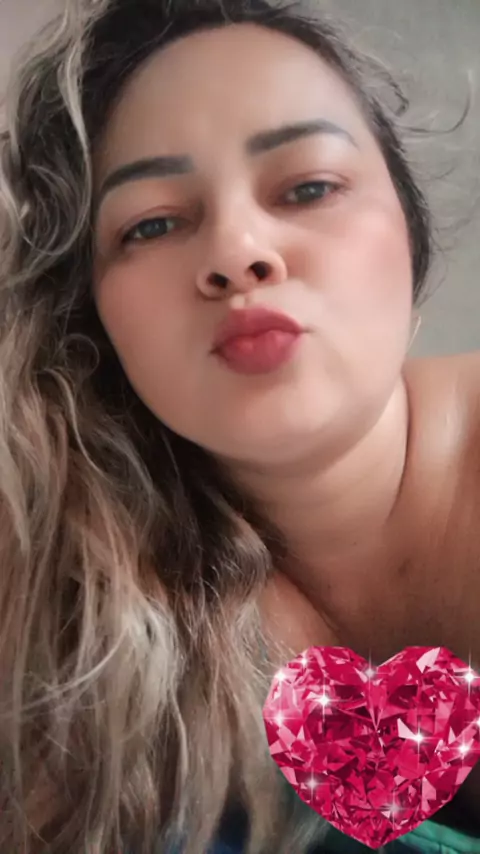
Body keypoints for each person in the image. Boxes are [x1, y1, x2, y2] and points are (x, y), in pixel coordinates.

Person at [0, 0, 479, 852]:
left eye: (308, 186)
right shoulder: (66, 588)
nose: (236, 251)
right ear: (89, 313)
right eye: (152, 223)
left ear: (410, 227)